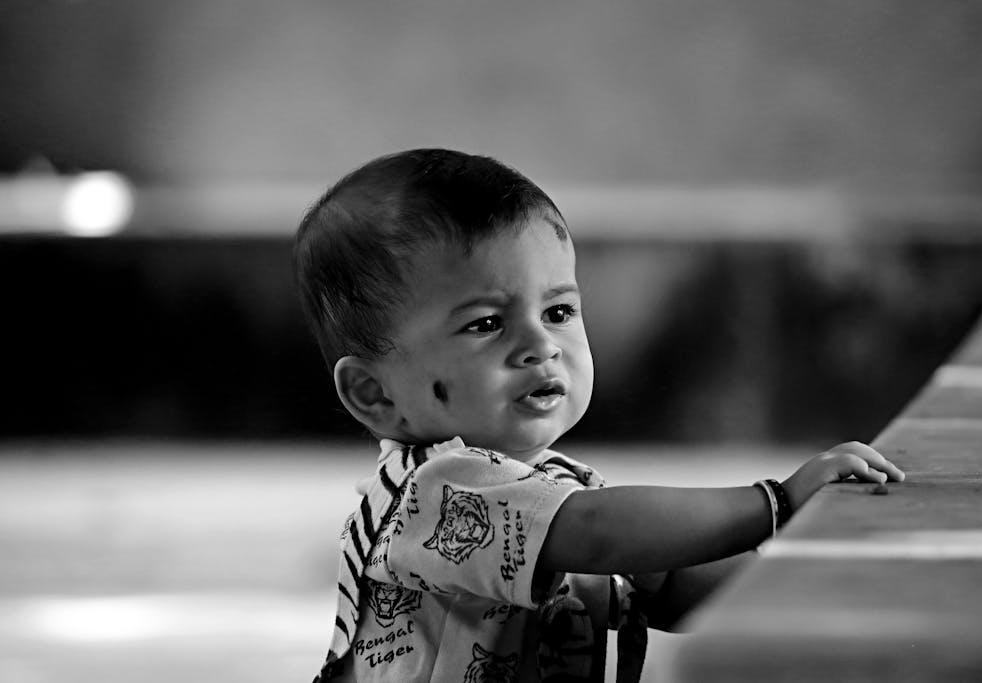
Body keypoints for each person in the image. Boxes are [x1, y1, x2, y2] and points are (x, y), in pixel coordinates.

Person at [294, 148, 905, 683]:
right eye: (485, 324)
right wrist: (775, 504)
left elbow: (669, 583)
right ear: (376, 395)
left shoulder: (556, 489)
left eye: (558, 311)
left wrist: (824, 582)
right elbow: (599, 534)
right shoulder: (431, 491)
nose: (541, 344)